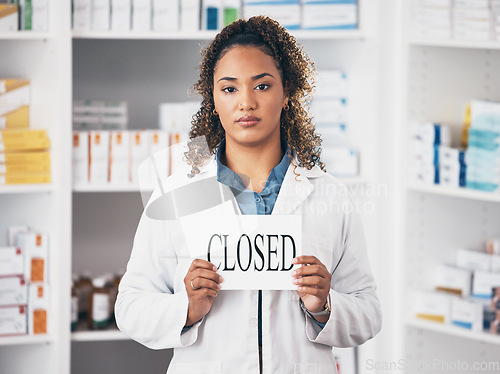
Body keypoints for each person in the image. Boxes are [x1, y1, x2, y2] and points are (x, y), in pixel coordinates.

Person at [115, 16, 382, 374]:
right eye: (229, 89)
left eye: (262, 86)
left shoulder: (329, 194)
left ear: (287, 92)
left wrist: (325, 305)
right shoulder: (178, 192)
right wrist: (187, 308)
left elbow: (369, 312)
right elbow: (130, 307)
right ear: (213, 98)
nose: (246, 103)